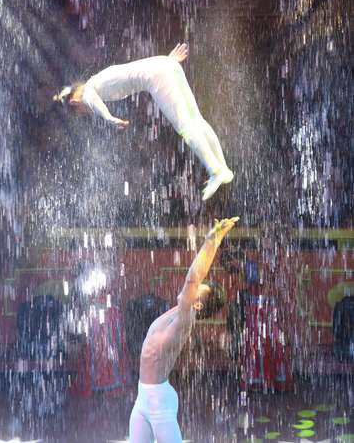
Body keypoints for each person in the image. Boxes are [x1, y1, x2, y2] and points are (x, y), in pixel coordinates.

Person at [53, 43, 234, 200]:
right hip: (166, 64)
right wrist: (168, 62)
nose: (85, 112)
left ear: (74, 102)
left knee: (186, 127)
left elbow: (94, 102)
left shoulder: (87, 92)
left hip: (157, 76)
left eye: (80, 112)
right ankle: (223, 169)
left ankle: (215, 171)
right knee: (196, 120)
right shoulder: (96, 79)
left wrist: (109, 118)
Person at [128, 217, 239, 442]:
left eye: (198, 289)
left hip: (159, 403)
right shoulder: (176, 312)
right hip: (142, 398)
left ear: (198, 304)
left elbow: (192, 279)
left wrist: (211, 242)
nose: (191, 288)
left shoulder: (185, 317)